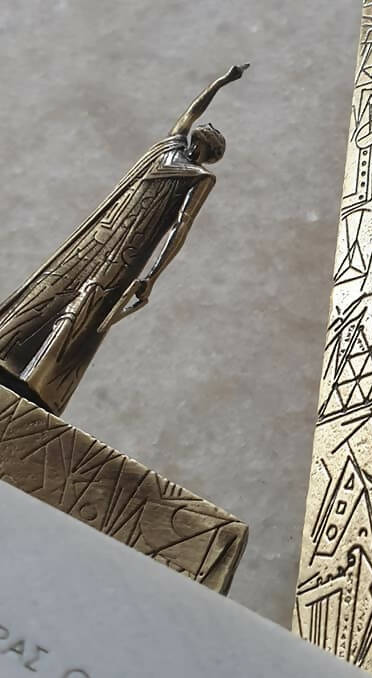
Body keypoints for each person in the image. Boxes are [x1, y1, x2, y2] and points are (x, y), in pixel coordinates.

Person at [0, 64, 248, 416]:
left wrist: (153, 276)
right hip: (104, 230)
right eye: (200, 139)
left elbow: (181, 228)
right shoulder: (169, 148)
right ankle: (10, 348)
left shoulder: (199, 178)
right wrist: (220, 82)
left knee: (89, 301)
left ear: (210, 153)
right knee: (56, 285)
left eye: (205, 144)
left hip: (131, 248)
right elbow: (191, 112)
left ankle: (40, 377)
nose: (199, 143)